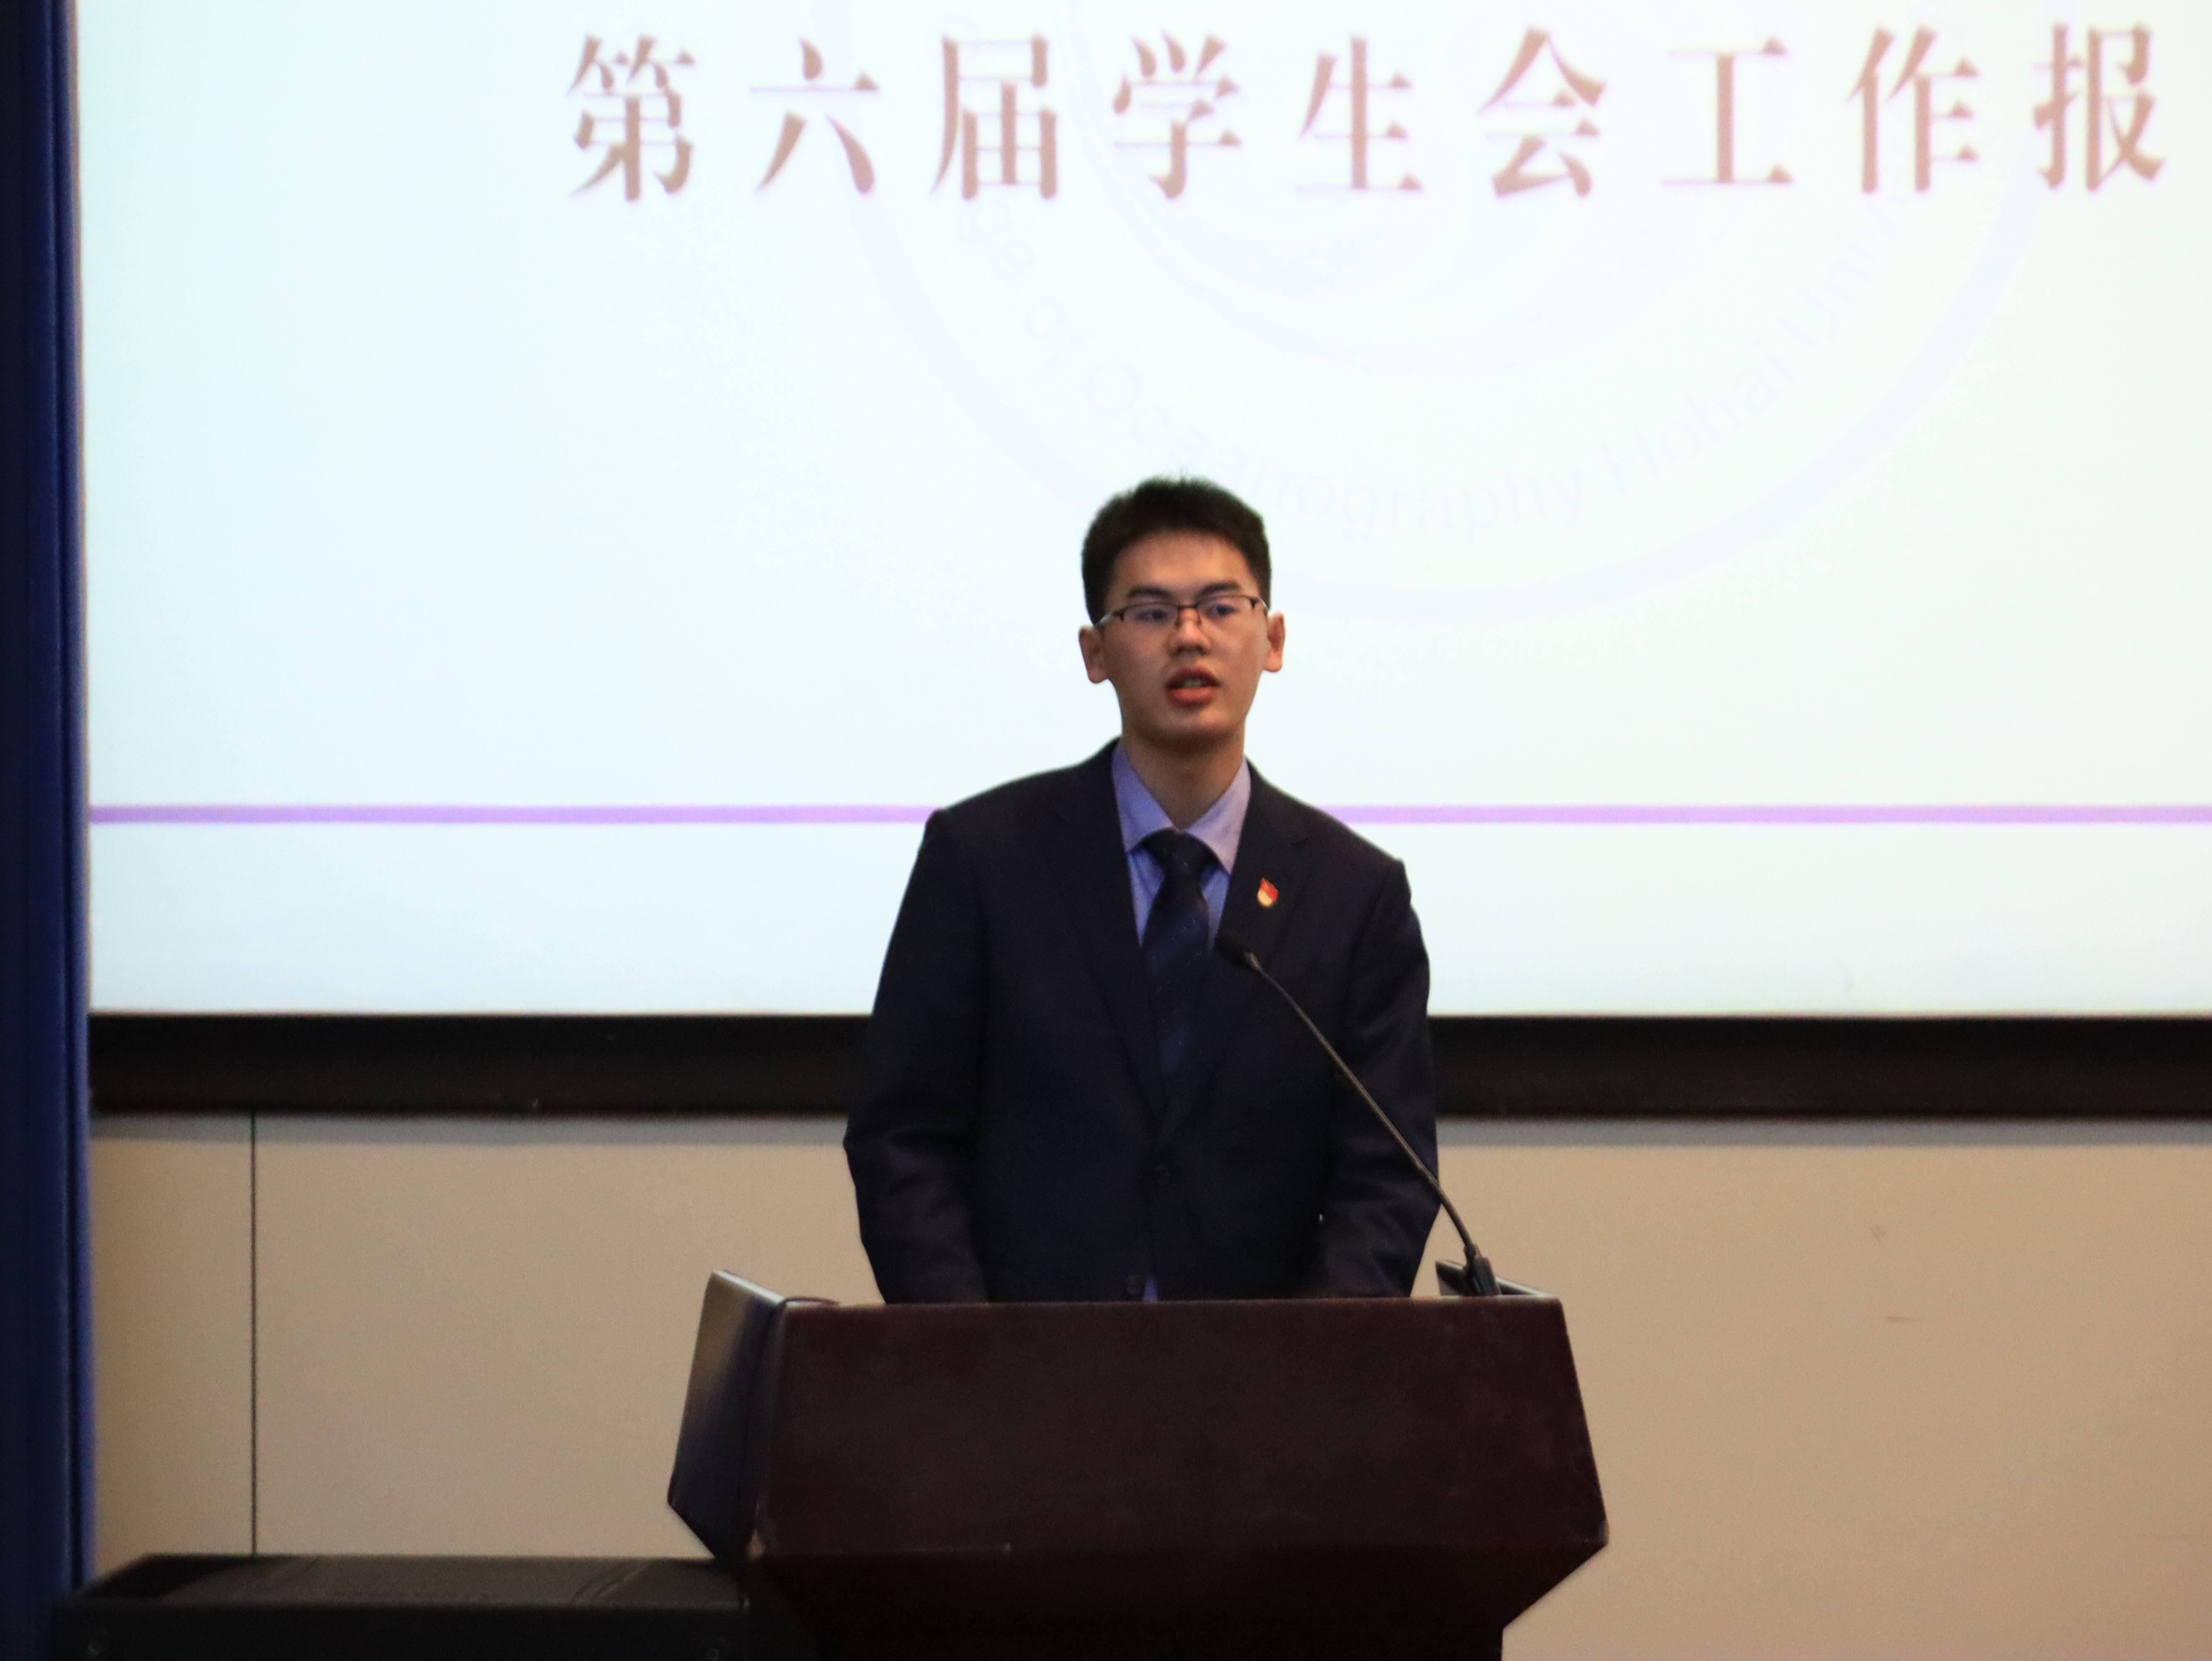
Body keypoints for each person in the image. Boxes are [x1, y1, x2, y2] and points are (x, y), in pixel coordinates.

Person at [844, 477, 1441, 1301]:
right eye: (1152, 612)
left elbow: (1386, 1182)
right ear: (1096, 653)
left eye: (1221, 607)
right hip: (1027, 1359)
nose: (1190, 636)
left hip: (1264, 1368)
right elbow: (903, 1138)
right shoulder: (983, 860)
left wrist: (1306, 1360)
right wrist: (970, 1347)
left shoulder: (1355, 895)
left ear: (1272, 639)